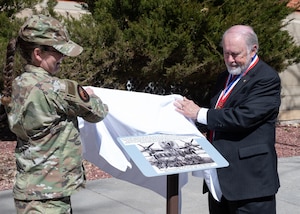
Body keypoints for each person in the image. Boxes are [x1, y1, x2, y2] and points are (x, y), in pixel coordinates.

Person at [1, 14, 108, 213]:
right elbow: (99, 112)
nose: (63, 57)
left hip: (28, 191)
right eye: (58, 51)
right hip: (50, 196)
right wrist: (90, 95)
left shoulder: (15, 85)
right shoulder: (58, 89)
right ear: (38, 54)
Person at [174, 25, 281, 214]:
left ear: (253, 49)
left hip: (250, 183)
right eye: (225, 53)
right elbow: (216, 114)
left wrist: (199, 113)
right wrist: (182, 116)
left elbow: (244, 117)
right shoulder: (225, 77)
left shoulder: (266, 78)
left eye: (236, 54)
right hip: (220, 180)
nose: (230, 60)